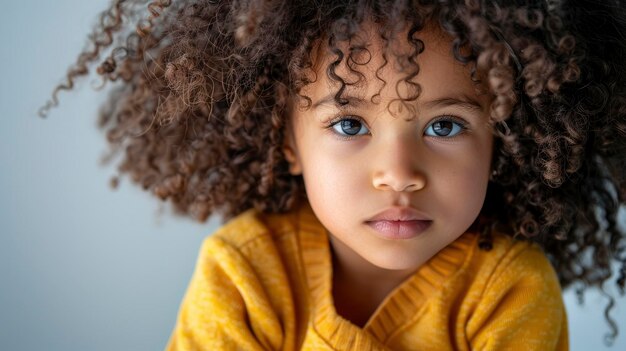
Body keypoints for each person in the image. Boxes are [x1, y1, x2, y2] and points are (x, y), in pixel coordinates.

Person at [42, 0, 626, 350]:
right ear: (287, 142)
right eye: (349, 126)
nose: (398, 175)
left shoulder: (510, 289)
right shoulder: (244, 272)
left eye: (444, 127)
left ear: (503, 138)